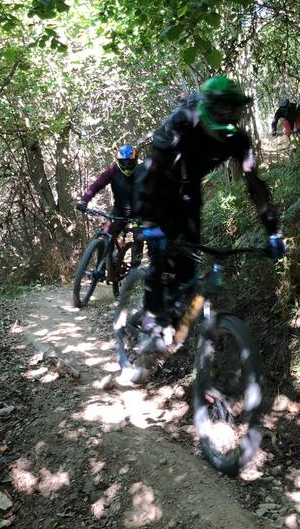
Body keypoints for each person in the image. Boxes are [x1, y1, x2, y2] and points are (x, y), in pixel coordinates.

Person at [131, 76, 286, 374]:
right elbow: (153, 173)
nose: (229, 117)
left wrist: (273, 231)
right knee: (160, 257)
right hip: (156, 187)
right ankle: (149, 333)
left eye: (234, 111)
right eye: (223, 110)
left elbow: (255, 187)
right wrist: (149, 221)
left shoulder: (238, 139)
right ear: (209, 106)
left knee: (188, 267)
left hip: (190, 193)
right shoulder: (182, 121)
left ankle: (176, 318)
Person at [75, 144, 143, 240]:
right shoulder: (113, 170)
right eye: (124, 162)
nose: (127, 165)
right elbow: (97, 185)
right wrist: (84, 200)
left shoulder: (142, 170)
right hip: (119, 210)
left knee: (138, 238)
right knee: (106, 235)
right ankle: (107, 253)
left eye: (129, 162)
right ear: (118, 161)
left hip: (139, 212)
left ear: (135, 161)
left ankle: (137, 254)